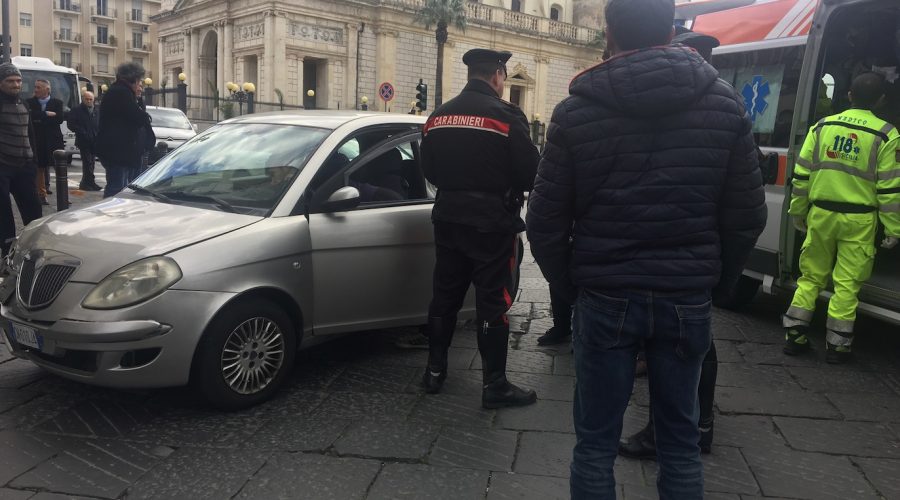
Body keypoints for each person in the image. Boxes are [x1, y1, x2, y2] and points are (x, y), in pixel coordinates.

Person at [526, 0, 766, 496]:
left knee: (594, 442)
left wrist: (572, 287)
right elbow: (746, 215)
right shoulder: (724, 105)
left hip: (605, 293)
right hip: (686, 294)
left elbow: (545, 220)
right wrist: (714, 283)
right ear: (671, 31)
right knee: (680, 443)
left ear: (610, 33)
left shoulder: (576, 111)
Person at [618, 27, 725, 461]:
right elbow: (747, 206)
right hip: (699, 258)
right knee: (701, 344)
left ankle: (671, 429)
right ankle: (700, 424)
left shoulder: (659, 108)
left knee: (681, 349)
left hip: (659, 260)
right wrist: (722, 269)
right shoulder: (728, 108)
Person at [419, 48, 541, 409]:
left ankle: (434, 373)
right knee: (493, 301)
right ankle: (495, 385)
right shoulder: (506, 116)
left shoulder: (437, 117)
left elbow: (430, 172)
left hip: (449, 217)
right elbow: (531, 173)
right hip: (491, 222)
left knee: (444, 296)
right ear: (498, 75)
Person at [782, 72, 900, 364]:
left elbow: (801, 175)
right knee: (847, 284)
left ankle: (794, 334)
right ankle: (838, 345)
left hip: (820, 214)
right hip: (859, 221)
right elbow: (890, 190)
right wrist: (893, 229)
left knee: (810, 276)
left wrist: (799, 212)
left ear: (848, 95)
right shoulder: (887, 134)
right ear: (882, 100)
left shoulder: (822, 126)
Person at [0, 63, 43, 256]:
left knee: (33, 210)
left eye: (18, 81)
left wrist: (33, 161)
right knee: (3, 214)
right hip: (3, 165)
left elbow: (30, 134)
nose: (15, 84)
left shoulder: (23, 103)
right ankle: (7, 253)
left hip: (24, 165)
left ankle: (34, 248)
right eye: (10, 81)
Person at [95, 62, 153, 198]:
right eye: (139, 81)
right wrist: (144, 114)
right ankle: (111, 215)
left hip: (120, 151)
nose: (140, 85)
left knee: (120, 186)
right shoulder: (121, 93)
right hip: (118, 152)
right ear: (133, 79)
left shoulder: (119, 91)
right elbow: (138, 117)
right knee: (116, 189)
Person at [26, 79, 64, 205]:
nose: (36, 89)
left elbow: (59, 119)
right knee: (40, 168)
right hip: (38, 140)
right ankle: (42, 194)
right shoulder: (29, 102)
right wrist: (46, 114)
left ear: (47, 90)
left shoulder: (57, 102)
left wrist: (39, 118)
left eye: (39, 87)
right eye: (35, 87)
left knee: (60, 168)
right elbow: (30, 116)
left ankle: (63, 194)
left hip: (53, 140)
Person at [67, 91, 101, 191]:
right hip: (83, 140)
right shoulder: (76, 110)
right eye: (87, 99)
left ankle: (87, 182)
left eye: (91, 99)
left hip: (94, 140)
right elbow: (71, 124)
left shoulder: (96, 110)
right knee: (87, 162)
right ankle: (88, 183)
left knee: (92, 162)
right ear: (83, 99)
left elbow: (99, 123)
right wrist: (82, 132)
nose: (89, 101)